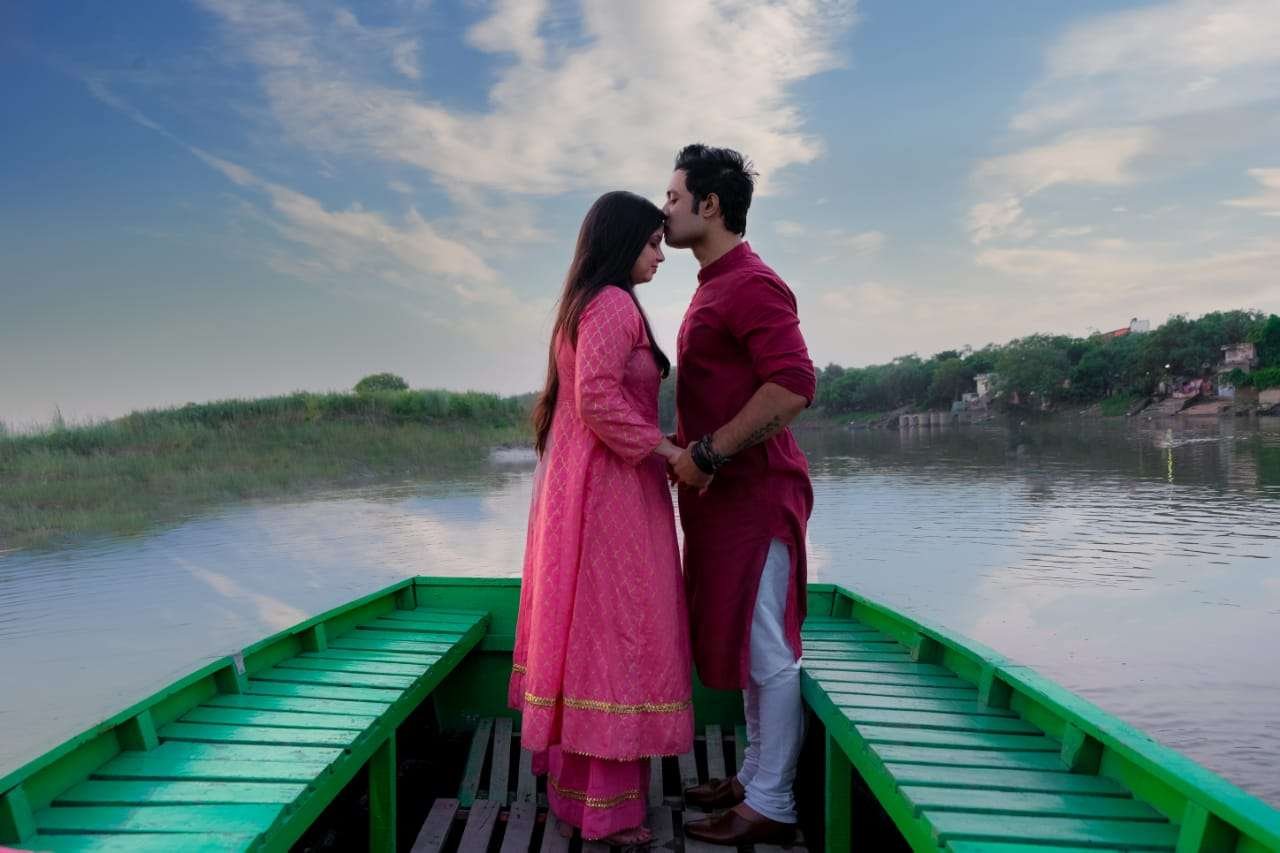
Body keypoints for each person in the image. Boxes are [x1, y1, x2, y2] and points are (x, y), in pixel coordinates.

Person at [509, 191, 694, 845]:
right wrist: (670, 452)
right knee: (622, 633)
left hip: (583, 487)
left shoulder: (583, 305)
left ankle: (579, 798)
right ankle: (608, 810)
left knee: (593, 632)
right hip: (612, 492)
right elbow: (597, 399)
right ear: (620, 244)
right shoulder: (613, 303)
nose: (660, 256)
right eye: (652, 243)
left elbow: (587, 399)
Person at [662, 145, 816, 846]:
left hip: (755, 496)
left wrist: (708, 454)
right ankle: (753, 777)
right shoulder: (713, 285)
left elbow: (793, 385)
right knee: (751, 646)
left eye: (673, 197)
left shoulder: (751, 283)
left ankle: (773, 803)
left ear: (710, 204)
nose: (664, 210)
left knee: (768, 651)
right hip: (723, 501)